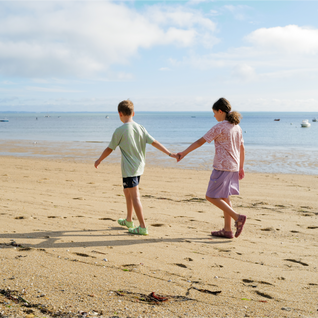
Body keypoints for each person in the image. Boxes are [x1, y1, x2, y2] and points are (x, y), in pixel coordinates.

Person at [94, 100, 178, 235]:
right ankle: (128, 220)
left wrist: (99, 160)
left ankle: (142, 226)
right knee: (126, 191)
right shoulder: (141, 128)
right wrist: (169, 153)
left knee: (135, 196)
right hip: (138, 167)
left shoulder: (120, 130)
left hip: (130, 170)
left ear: (119, 114)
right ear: (133, 113)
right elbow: (154, 142)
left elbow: (110, 148)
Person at [177, 98, 246, 238]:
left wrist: (183, 153)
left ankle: (237, 217)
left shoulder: (219, 127)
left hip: (222, 167)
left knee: (211, 196)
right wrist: (241, 167)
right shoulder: (237, 127)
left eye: (214, 112)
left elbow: (200, 141)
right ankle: (227, 230)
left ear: (220, 111)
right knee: (224, 197)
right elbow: (242, 148)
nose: (214, 116)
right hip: (233, 167)